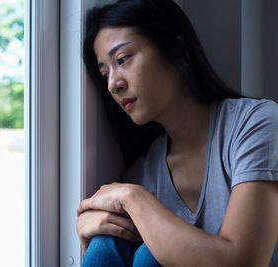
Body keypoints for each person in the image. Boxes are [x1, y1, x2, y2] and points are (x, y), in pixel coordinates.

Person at [76, 0, 278, 266]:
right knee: (106, 244)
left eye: (123, 59)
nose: (113, 83)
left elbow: (244, 262)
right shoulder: (143, 172)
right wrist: (85, 238)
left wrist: (133, 197)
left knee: (152, 256)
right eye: (105, 75)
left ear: (177, 49)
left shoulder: (256, 123)